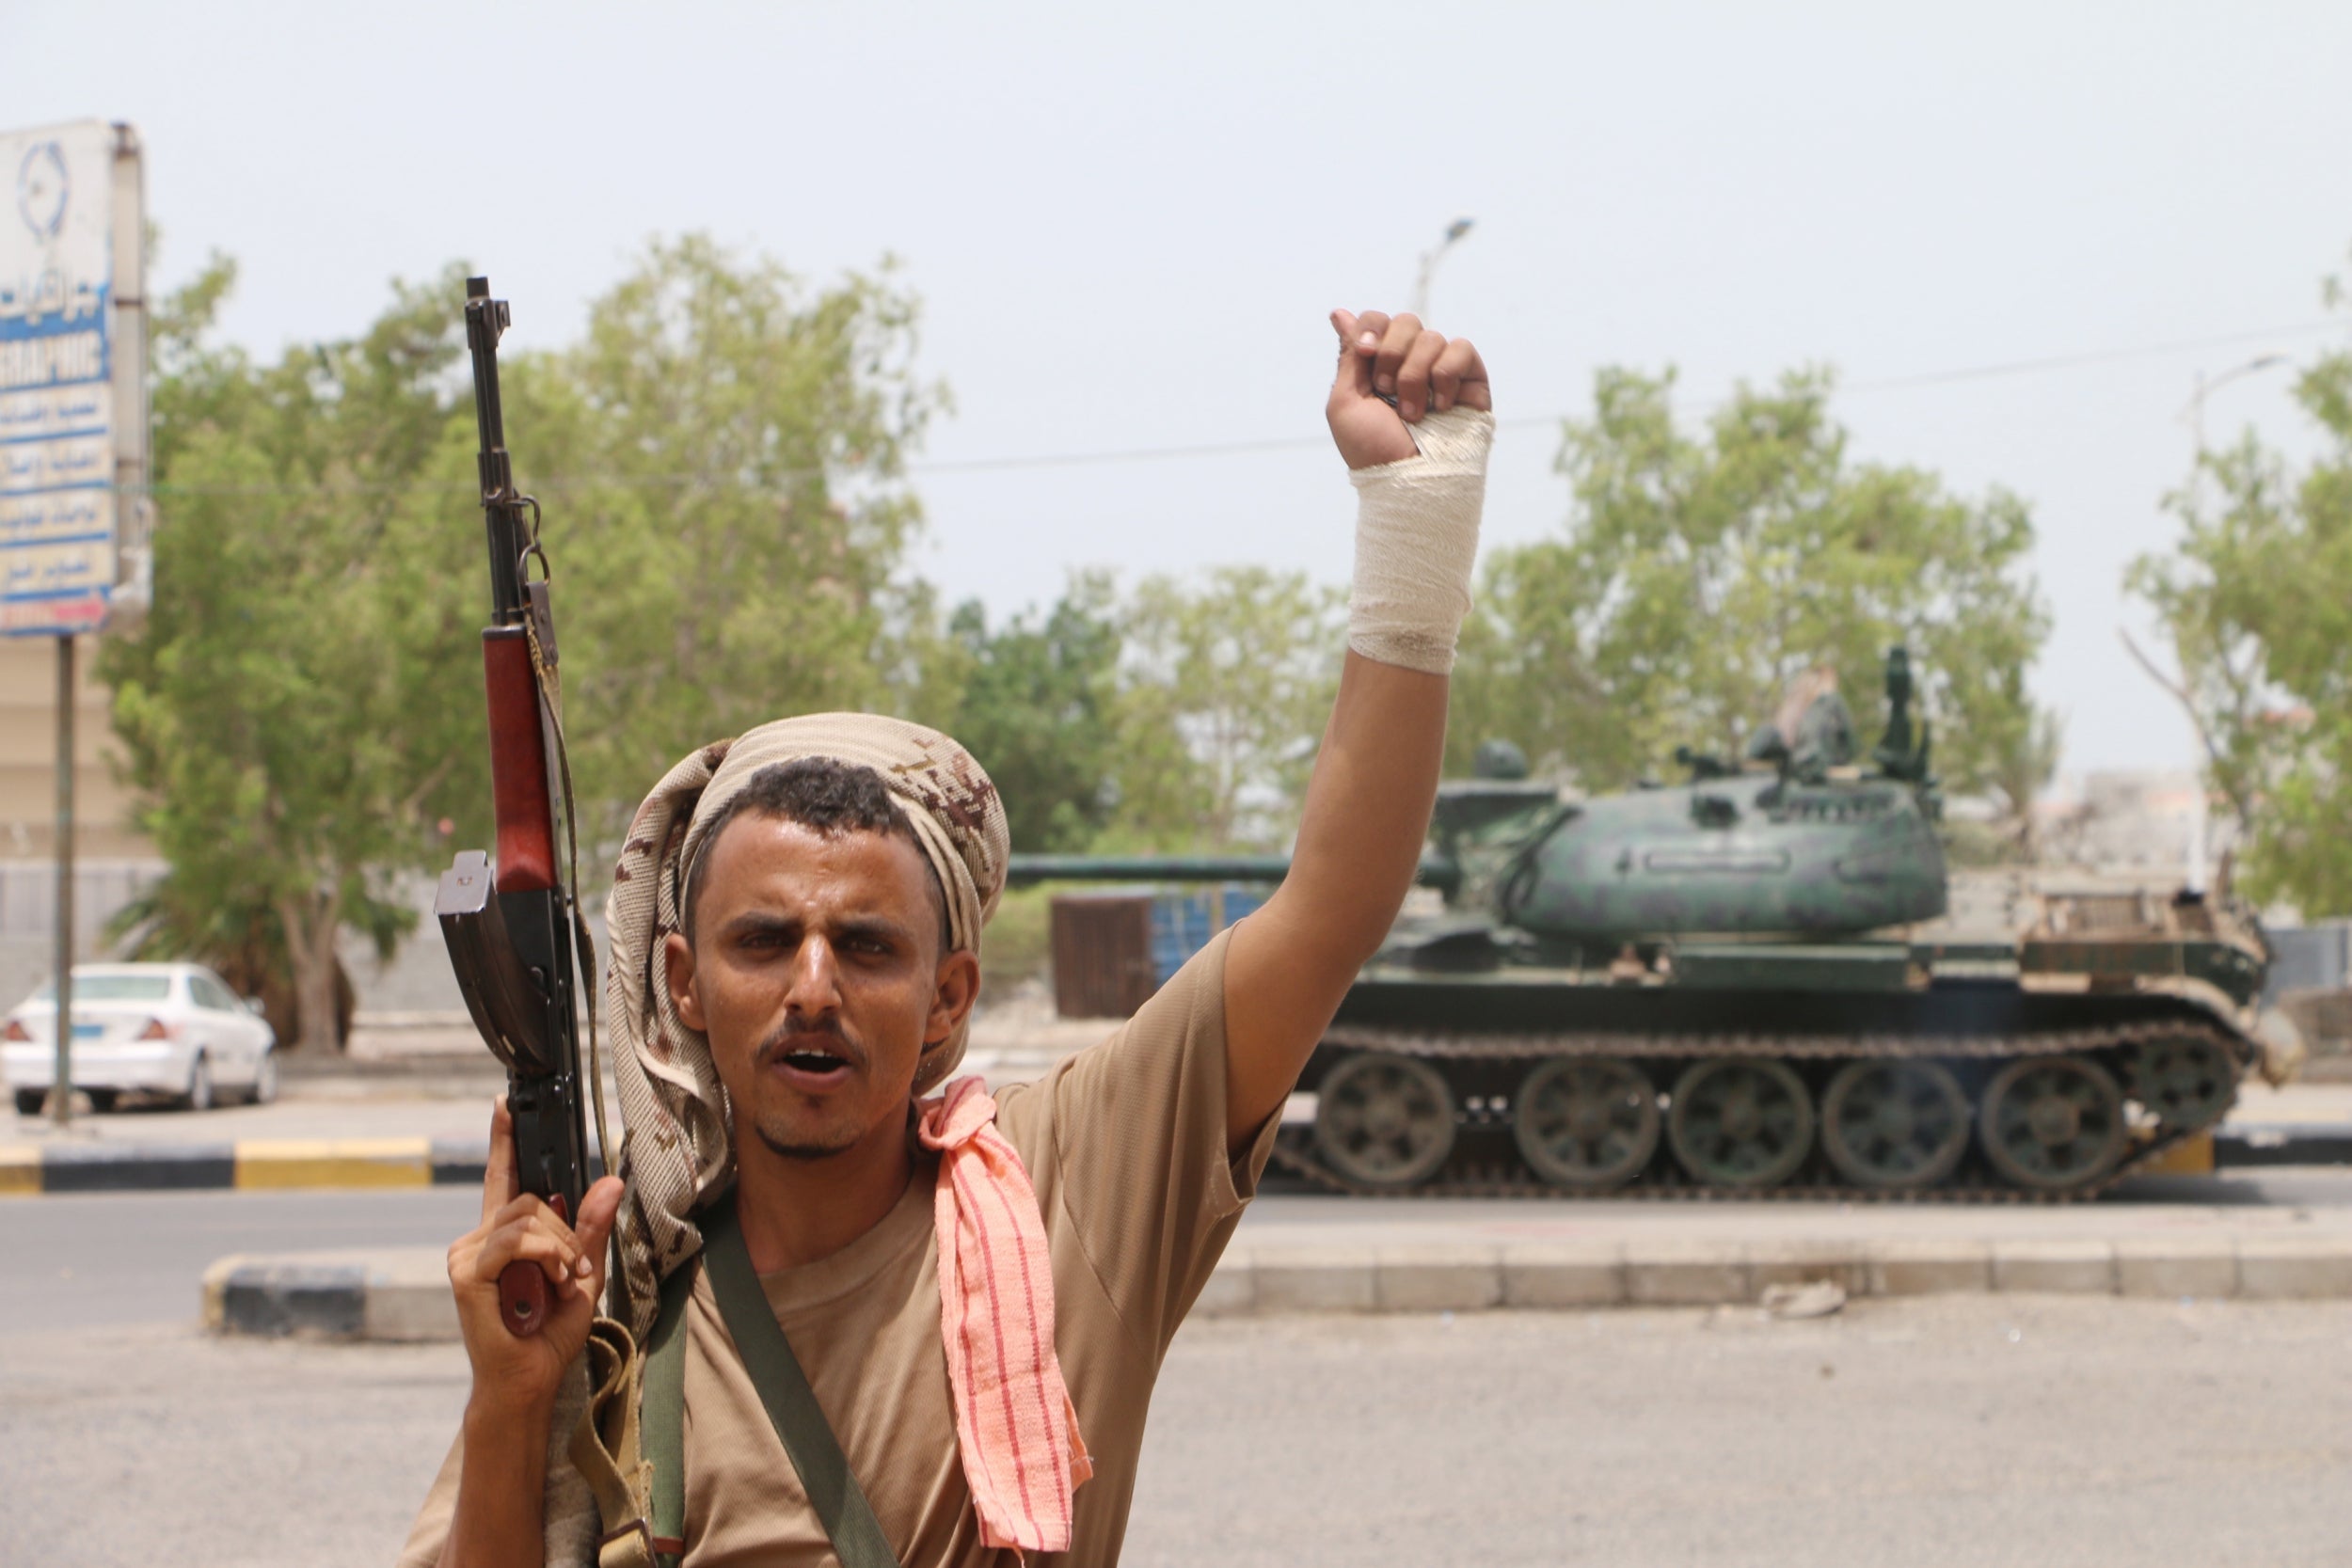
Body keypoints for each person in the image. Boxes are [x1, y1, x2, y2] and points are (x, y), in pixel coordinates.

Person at [399, 306, 1494, 1567]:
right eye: (764, 944)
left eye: (867, 948)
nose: (813, 988)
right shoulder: (618, 1309)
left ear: (949, 994)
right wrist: (508, 1401)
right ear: (687, 985)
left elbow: (1331, 907)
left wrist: (1413, 518)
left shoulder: (1070, 1186)